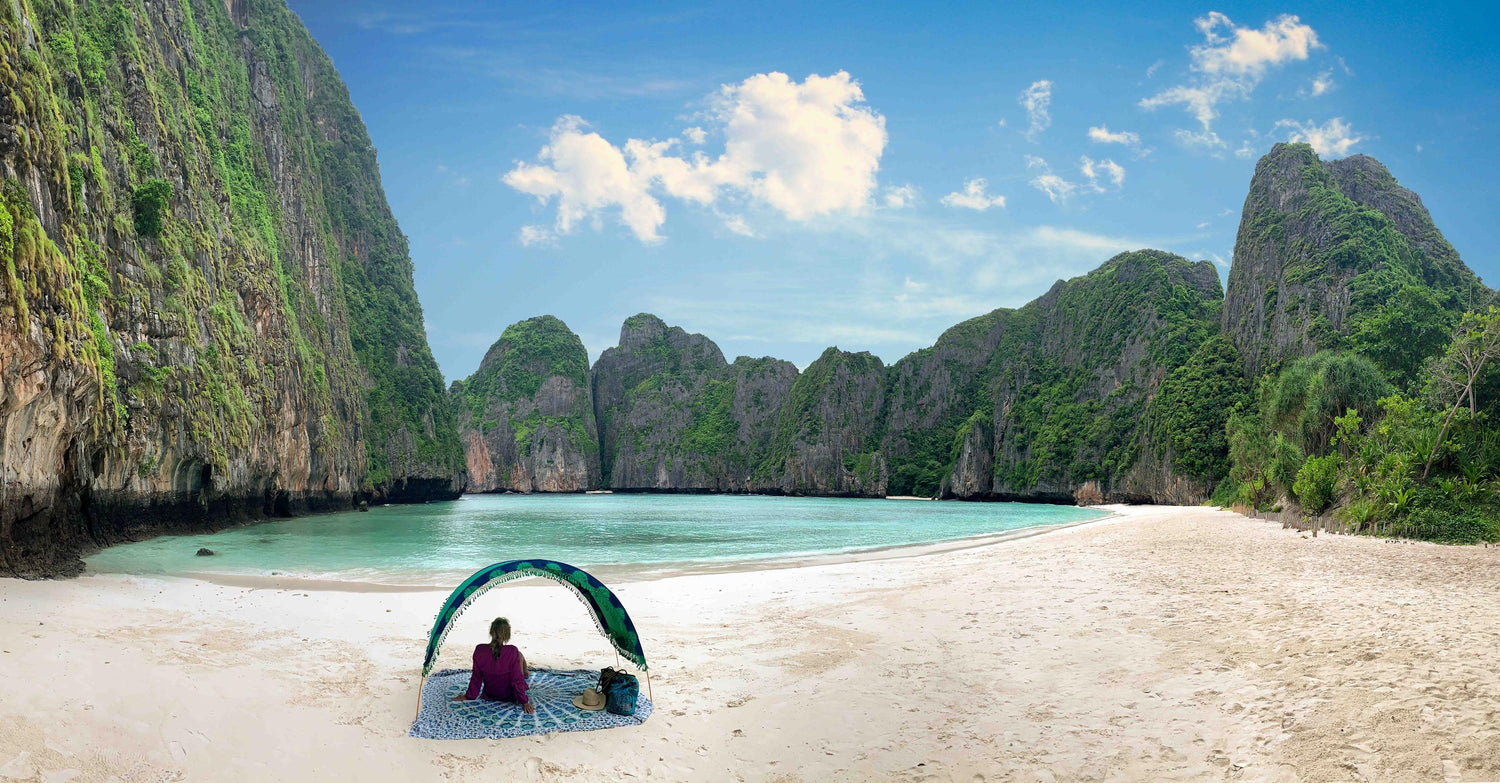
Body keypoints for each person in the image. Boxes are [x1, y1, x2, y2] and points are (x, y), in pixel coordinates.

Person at [452, 617, 534, 713]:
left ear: (491, 632)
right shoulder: (512, 651)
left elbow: (476, 678)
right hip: (510, 697)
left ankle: (526, 673)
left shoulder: (479, 650)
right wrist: (524, 702)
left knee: (516, 655)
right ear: (507, 635)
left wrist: (469, 696)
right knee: (518, 655)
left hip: (490, 694)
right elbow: (517, 679)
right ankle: (526, 673)